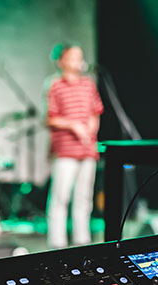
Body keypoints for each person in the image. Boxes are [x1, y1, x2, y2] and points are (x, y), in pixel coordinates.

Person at [45, 42, 104, 248]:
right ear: (61, 61)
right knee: (61, 197)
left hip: (87, 150)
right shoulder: (55, 85)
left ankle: (82, 241)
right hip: (66, 152)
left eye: (80, 56)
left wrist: (90, 129)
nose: (78, 61)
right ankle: (57, 243)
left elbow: (95, 112)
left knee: (84, 198)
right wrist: (74, 126)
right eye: (73, 57)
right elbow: (51, 118)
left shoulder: (88, 84)